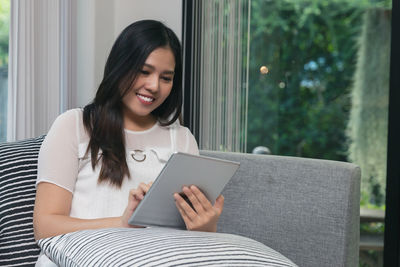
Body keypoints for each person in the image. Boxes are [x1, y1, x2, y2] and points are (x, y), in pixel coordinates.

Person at [33, 20, 224, 266]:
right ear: (121, 66)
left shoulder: (182, 139)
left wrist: (205, 228)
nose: (154, 86)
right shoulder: (74, 125)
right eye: (144, 72)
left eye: (166, 78)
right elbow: (45, 226)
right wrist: (123, 224)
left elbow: (185, 241)